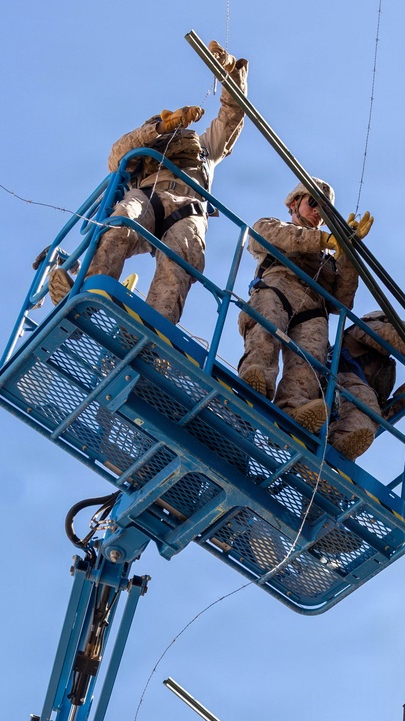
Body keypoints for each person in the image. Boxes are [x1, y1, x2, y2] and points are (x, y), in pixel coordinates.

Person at [49, 42, 247, 325]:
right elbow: (117, 158)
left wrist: (230, 72)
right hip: (149, 196)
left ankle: (155, 326)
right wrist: (160, 128)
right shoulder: (142, 153)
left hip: (189, 207)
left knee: (181, 258)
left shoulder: (204, 149)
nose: (175, 131)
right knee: (121, 224)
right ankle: (89, 293)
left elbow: (232, 116)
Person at [238, 181, 371, 433]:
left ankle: (293, 408)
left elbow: (342, 301)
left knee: (311, 358)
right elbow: (262, 235)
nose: (318, 211)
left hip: (313, 309)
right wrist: (324, 240)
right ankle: (256, 380)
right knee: (266, 324)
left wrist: (347, 253)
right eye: (313, 203)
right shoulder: (273, 226)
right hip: (278, 288)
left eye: (325, 210)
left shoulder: (327, 259)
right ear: (294, 203)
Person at [327, 312, 405, 460]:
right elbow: (392, 337)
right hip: (338, 384)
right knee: (366, 410)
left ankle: (337, 454)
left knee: (369, 419)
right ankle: (335, 450)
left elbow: (382, 416)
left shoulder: (380, 371)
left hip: (343, 406)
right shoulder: (365, 327)